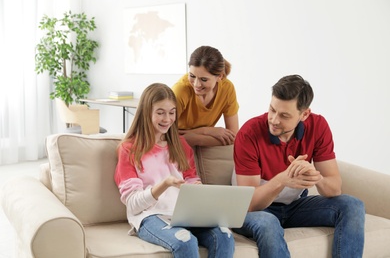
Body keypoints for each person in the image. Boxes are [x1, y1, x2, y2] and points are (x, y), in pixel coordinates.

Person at [232, 74, 365, 257]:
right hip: (253, 211)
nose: (274, 120)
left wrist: (316, 177)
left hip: (294, 206)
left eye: (284, 115)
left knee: (352, 205)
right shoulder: (249, 133)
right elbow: (248, 203)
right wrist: (282, 179)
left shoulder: (318, 126)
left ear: (304, 114)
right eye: (272, 110)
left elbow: (334, 189)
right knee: (268, 223)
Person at [114, 83, 235, 258]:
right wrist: (165, 184)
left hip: (184, 214)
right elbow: (133, 204)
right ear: (146, 112)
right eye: (160, 112)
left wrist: (200, 190)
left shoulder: (181, 145)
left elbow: (192, 180)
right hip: (149, 216)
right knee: (184, 241)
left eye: (172, 112)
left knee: (225, 235)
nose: (167, 119)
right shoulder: (129, 149)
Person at [172, 45, 239, 147]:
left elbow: (233, 137)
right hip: (176, 145)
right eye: (192, 76)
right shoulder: (180, 91)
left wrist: (197, 136)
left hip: (195, 143)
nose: (196, 84)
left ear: (219, 76)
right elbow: (163, 135)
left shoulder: (227, 88)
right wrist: (209, 132)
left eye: (204, 79)